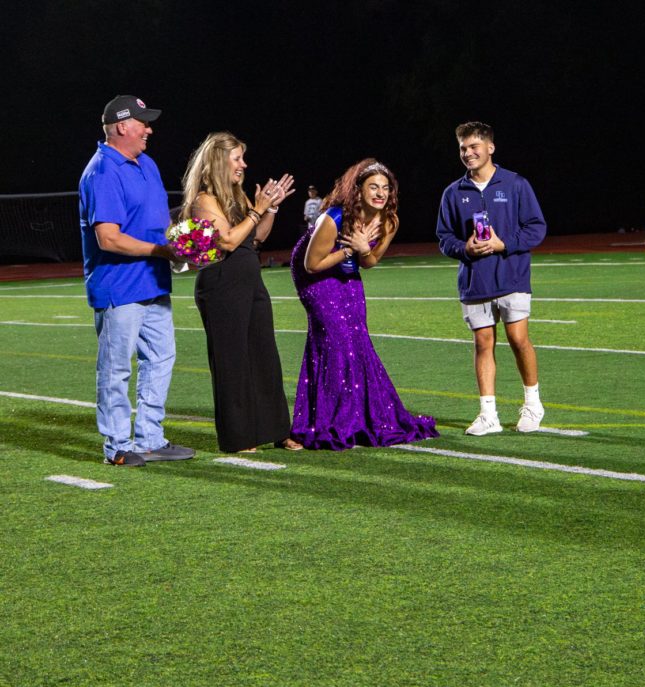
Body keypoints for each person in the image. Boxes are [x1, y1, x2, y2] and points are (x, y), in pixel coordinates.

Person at [78, 95, 195, 467]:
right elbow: (108, 238)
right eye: (143, 122)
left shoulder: (146, 163)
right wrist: (161, 252)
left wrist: (187, 240)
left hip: (154, 284)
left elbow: (157, 222)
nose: (149, 129)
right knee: (116, 369)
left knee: (161, 360)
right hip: (120, 287)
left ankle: (149, 438)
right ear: (121, 126)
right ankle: (116, 446)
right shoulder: (102, 171)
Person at [290, 159, 438, 449]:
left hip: (347, 270)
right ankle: (326, 421)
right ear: (358, 191)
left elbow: (369, 261)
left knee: (357, 339)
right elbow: (311, 264)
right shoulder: (333, 217)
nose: (380, 193)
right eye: (373, 187)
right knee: (335, 340)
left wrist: (360, 250)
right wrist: (349, 249)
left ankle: (358, 418)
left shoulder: (389, 220)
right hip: (316, 277)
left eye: (385, 188)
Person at [180, 132, 301, 453]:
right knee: (232, 362)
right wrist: (256, 210)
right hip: (221, 286)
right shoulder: (205, 200)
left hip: (250, 282)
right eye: (237, 158)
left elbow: (255, 237)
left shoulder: (238, 195)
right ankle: (239, 437)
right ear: (219, 160)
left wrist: (270, 209)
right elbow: (228, 241)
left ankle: (278, 429)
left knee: (264, 355)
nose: (243, 165)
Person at [436, 121, 547, 435]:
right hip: (475, 281)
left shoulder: (515, 184)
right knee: (483, 343)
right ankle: (488, 415)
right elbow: (444, 237)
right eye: (463, 148)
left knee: (518, 339)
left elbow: (536, 227)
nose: (468, 153)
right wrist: (464, 248)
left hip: (512, 276)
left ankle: (532, 404)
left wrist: (504, 244)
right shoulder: (453, 192)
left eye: (473, 147)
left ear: (490, 148)